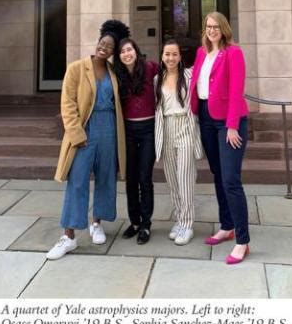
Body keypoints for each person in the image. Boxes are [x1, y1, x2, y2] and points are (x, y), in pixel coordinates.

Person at [46, 20, 129, 260]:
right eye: (103, 43)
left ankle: (97, 223)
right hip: (84, 130)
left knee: (106, 178)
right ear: (98, 43)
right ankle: (69, 236)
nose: (105, 48)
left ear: (114, 52)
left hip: (109, 130)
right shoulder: (76, 68)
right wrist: (76, 133)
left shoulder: (114, 73)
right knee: (78, 181)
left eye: (110, 46)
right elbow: (68, 103)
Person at [190, 11, 250, 264]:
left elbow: (237, 90)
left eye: (215, 26)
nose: (211, 30)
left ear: (224, 28)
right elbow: (197, 81)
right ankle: (227, 226)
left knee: (231, 180)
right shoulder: (202, 52)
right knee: (217, 174)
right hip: (205, 117)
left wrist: (233, 126)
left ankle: (243, 241)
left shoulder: (234, 53)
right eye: (207, 26)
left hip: (228, 121)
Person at [155, 39, 202, 245]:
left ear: (180, 57)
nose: (171, 58)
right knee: (172, 179)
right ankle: (179, 219)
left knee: (185, 178)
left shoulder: (189, 76)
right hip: (166, 129)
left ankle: (187, 223)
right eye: (167, 54)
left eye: (174, 54)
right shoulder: (158, 79)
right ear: (162, 56)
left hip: (185, 128)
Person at [113, 38, 159, 244]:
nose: (126, 54)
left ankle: (146, 225)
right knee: (130, 179)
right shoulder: (118, 75)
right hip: (128, 131)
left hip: (149, 129)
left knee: (144, 178)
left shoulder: (149, 68)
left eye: (129, 49)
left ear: (136, 50)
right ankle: (134, 222)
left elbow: (172, 71)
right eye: (122, 51)